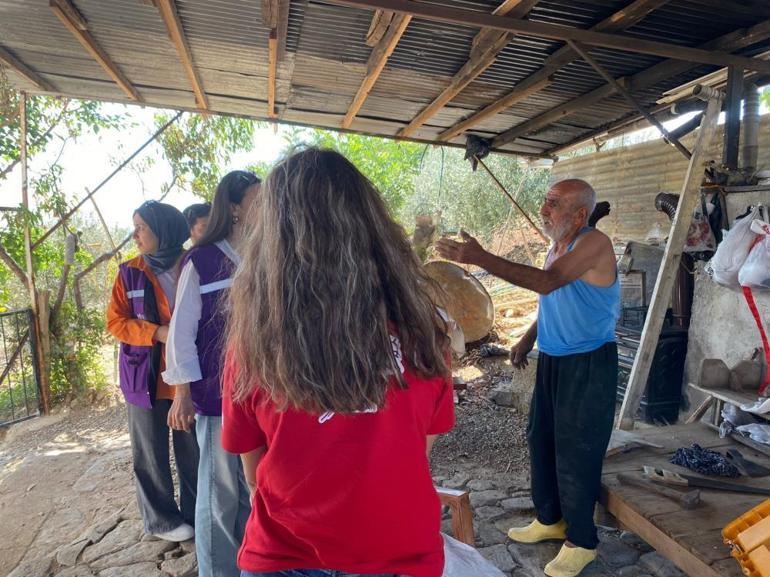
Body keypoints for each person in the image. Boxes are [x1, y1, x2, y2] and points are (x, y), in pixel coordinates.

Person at [221, 148, 455, 577]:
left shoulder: (253, 341)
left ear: (274, 235)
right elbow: (421, 446)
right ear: (371, 224)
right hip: (398, 552)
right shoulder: (424, 332)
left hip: (283, 554)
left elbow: (253, 472)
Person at [436, 179, 619, 577]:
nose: (543, 209)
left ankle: (582, 541)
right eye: (545, 202)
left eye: (552, 203)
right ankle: (551, 518)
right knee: (541, 438)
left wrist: (481, 257)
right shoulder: (558, 245)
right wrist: (528, 336)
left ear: (579, 214)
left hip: (588, 363)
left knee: (577, 450)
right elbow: (556, 296)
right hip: (554, 357)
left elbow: (546, 282)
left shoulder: (593, 244)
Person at [164, 171, 261, 577]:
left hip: (265, 394)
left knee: (254, 491)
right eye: (257, 200)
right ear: (235, 208)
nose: (266, 207)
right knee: (219, 495)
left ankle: (249, 563)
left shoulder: (268, 253)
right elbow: (182, 331)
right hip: (217, 395)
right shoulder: (202, 260)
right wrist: (183, 393)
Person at [106, 200, 199, 542]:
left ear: (164, 229)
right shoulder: (129, 271)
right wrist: (156, 332)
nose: (135, 235)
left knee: (193, 448)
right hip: (144, 375)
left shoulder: (194, 262)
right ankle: (161, 520)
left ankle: (195, 511)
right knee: (149, 451)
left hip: (188, 375)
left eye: (141, 227)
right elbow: (115, 322)